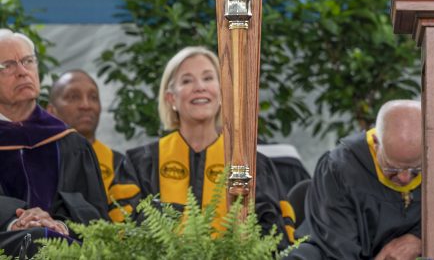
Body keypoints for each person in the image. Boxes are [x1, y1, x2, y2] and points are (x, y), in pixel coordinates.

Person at [120, 46, 293, 244]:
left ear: (222, 93)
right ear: (171, 99)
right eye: (187, 80)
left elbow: (275, 237)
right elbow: (125, 234)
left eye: (208, 78)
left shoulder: (251, 165)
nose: (199, 86)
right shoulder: (141, 163)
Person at [0, 29, 108, 256]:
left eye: (27, 61)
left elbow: (93, 212)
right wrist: (16, 222)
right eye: (7, 65)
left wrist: (57, 225)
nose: (22, 72)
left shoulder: (71, 142)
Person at [291, 99, 422, 260]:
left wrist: (419, 239)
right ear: (376, 142)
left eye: (415, 169)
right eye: (393, 168)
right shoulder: (339, 169)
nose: (405, 178)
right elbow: (338, 248)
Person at [46, 69, 140, 221]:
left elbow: (126, 227)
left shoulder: (119, 164)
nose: (86, 105)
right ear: (51, 111)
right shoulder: (35, 160)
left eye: (93, 97)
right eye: (74, 97)